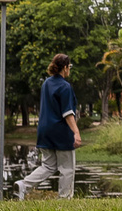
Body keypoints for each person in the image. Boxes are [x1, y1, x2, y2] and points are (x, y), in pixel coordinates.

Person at [18, 53, 82, 200]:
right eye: (69, 67)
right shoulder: (65, 87)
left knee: (48, 166)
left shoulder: (46, 83)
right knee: (67, 168)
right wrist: (76, 132)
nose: (69, 69)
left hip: (45, 130)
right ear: (65, 68)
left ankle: (24, 185)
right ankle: (65, 199)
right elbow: (67, 113)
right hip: (61, 131)